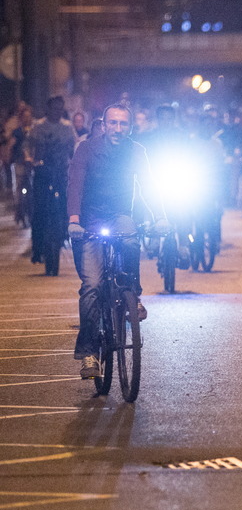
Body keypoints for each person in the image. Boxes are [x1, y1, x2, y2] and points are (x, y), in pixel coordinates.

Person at [67, 104, 167, 379]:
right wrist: (74, 220)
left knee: (132, 241)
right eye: (113, 123)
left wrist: (160, 217)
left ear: (130, 127)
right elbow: (74, 184)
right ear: (104, 124)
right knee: (92, 286)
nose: (118, 129)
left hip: (120, 216)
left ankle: (132, 294)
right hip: (88, 223)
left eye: (123, 124)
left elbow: (148, 185)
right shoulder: (87, 149)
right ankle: (89, 353)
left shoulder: (137, 151)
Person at [26, 96, 76, 271]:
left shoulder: (67, 128)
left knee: (65, 207)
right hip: (42, 173)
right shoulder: (38, 127)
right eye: (54, 108)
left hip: (61, 173)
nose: (57, 112)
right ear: (48, 109)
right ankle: (37, 248)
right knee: (39, 210)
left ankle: (64, 235)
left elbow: (73, 149)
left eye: (60, 109)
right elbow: (28, 147)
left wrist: (73, 164)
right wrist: (30, 159)